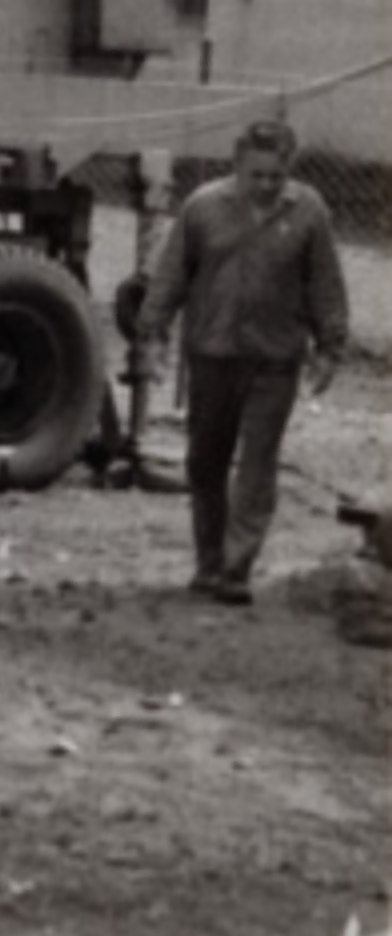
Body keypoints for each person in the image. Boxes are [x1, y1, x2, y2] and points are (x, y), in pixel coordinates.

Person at [138, 120, 348, 605]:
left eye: (277, 176)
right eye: (257, 175)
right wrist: (153, 335)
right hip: (212, 356)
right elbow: (170, 278)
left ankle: (237, 568)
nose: (268, 185)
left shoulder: (309, 212)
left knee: (257, 463)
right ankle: (208, 561)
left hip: (274, 360)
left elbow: (325, 286)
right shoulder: (202, 208)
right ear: (237, 165)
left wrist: (330, 348)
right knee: (205, 461)